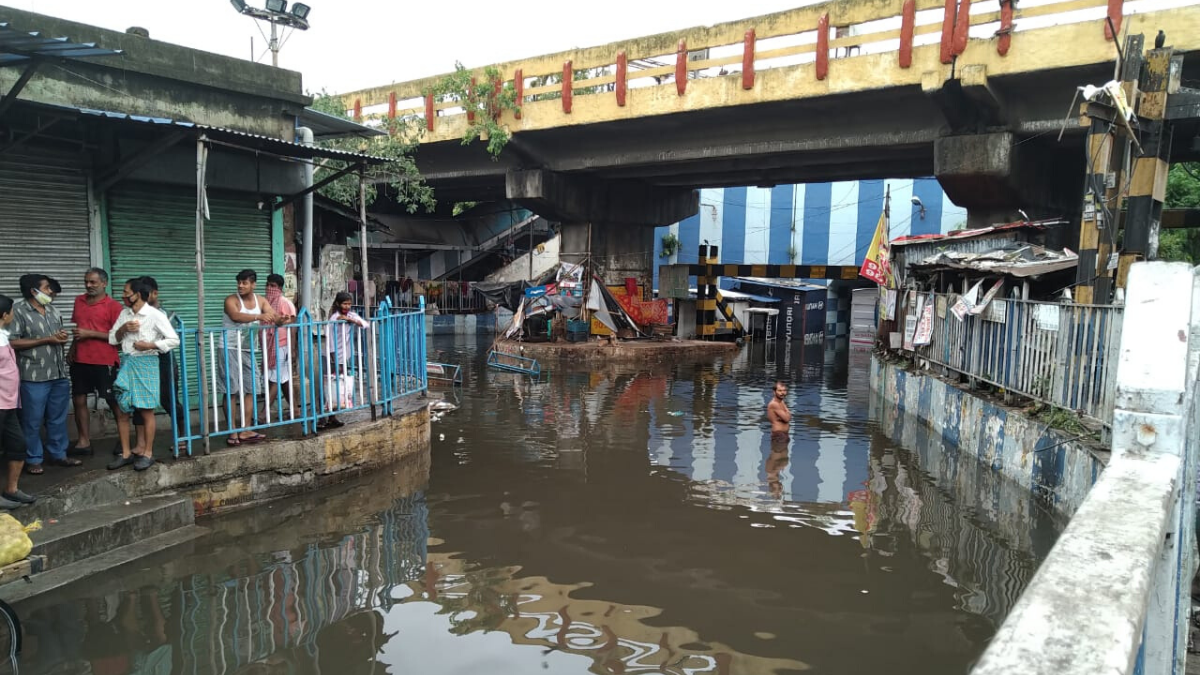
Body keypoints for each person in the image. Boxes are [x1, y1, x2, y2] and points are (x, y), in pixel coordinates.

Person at [10, 274, 80, 474]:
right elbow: (13, 342)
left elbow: (57, 337)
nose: (51, 292)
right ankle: (33, 459)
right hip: (33, 376)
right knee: (31, 420)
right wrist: (46, 340)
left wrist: (62, 338)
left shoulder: (53, 310)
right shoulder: (18, 311)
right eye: (47, 288)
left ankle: (59, 454)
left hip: (58, 373)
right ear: (34, 291)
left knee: (58, 418)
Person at [108, 278, 179, 471]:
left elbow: (174, 340)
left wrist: (150, 345)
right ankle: (126, 453)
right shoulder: (124, 314)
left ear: (138, 295)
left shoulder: (155, 315)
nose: (123, 296)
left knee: (146, 410)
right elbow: (111, 338)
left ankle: (147, 453)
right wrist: (123, 329)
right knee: (122, 409)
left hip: (147, 363)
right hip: (127, 362)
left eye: (126, 292)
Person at [68, 268, 123, 456]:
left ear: (104, 283)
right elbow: (78, 329)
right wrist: (72, 349)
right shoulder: (79, 301)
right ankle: (84, 441)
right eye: (86, 282)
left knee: (113, 400)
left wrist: (91, 334)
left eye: (93, 282)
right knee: (79, 398)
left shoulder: (114, 306)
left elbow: (120, 337)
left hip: (105, 359)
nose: (88, 285)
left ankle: (123, 440)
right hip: (81, 359)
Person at [130, 277, 188, 455]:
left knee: (169, 399)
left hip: (164, 361)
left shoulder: (163, 315)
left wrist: (149, 344)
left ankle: (183, 437)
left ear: (155, 293)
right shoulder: (133, 314)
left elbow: (169, 341)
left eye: (147, 294)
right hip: (141, 361)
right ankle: (140, 444)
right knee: (139, 402)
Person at [220, 270, 278, 446]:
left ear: (253, 284)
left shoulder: (260, 300)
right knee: (231, 389)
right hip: (229, 347)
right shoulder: (231, 300)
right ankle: (232, 430)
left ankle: (245, 430)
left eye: (245, 283)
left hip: (248, 349)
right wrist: (259, 316)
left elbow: (273, 316)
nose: (240, 285)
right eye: (239, 282)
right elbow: (236, 316)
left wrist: (282, 320)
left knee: (251, 387)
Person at [0, 295, 34, 508]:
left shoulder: (4, 335)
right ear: (5, 315)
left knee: (18, 445)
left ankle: (11, 490)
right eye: (12, 310)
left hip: (10, 402)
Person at [319, 292, 367, 431]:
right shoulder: (334, 319)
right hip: (331, 356)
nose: (347, 306)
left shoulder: (350, 316)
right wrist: (336, 362)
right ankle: (322, 418)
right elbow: (330, 343)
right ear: (338, 304)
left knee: (337, 387)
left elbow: (364, 324)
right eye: (344, 304)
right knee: (327, 386)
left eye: (349, 304)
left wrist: (351, 320)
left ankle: (332, 417)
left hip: (341, 357)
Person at [263, 274, 297, 420]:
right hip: (270, 345)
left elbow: (293, 326)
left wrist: (293, 348)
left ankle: (264, 412)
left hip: (282, 345)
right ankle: (295, 409)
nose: (270, 289)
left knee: (276, 379)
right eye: (268, 285)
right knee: (284, 379)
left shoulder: (284, 302)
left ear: (280, 288)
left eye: (273, 286)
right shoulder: (265, 303)